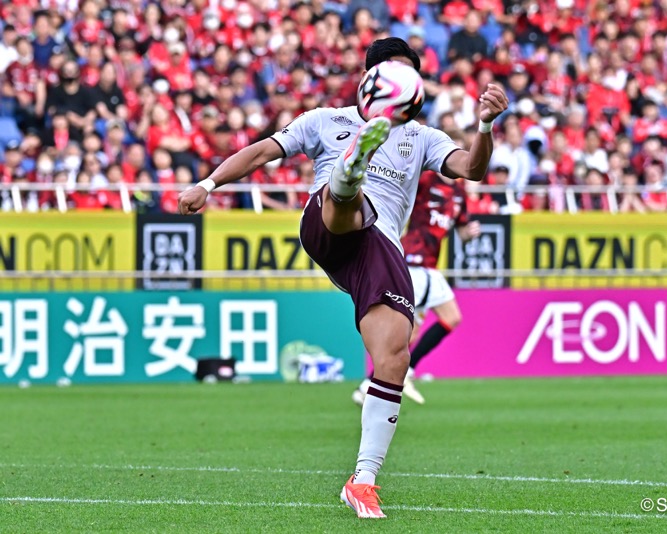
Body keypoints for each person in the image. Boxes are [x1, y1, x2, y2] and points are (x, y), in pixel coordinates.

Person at [178, 38, 508, 519]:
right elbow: (261, 153)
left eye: (408, 76)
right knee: (348, 204)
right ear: (370, 78)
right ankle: (348, 174)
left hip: (378, 249)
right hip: (328, 224)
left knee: (394, 353)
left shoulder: (423, 137)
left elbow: (472, 168)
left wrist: (485, 125)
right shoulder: (324, 119)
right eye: (393, 72)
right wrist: (207, 184)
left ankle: (363, 481)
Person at [352, 155, 481, 406]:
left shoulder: (459, 193)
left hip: (430, 266)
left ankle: (373, 383)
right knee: (415, 328)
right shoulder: (425, 179)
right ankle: (377, 381)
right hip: (414, 261)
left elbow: (462, 230)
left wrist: (470, 234)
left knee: (423, 328)